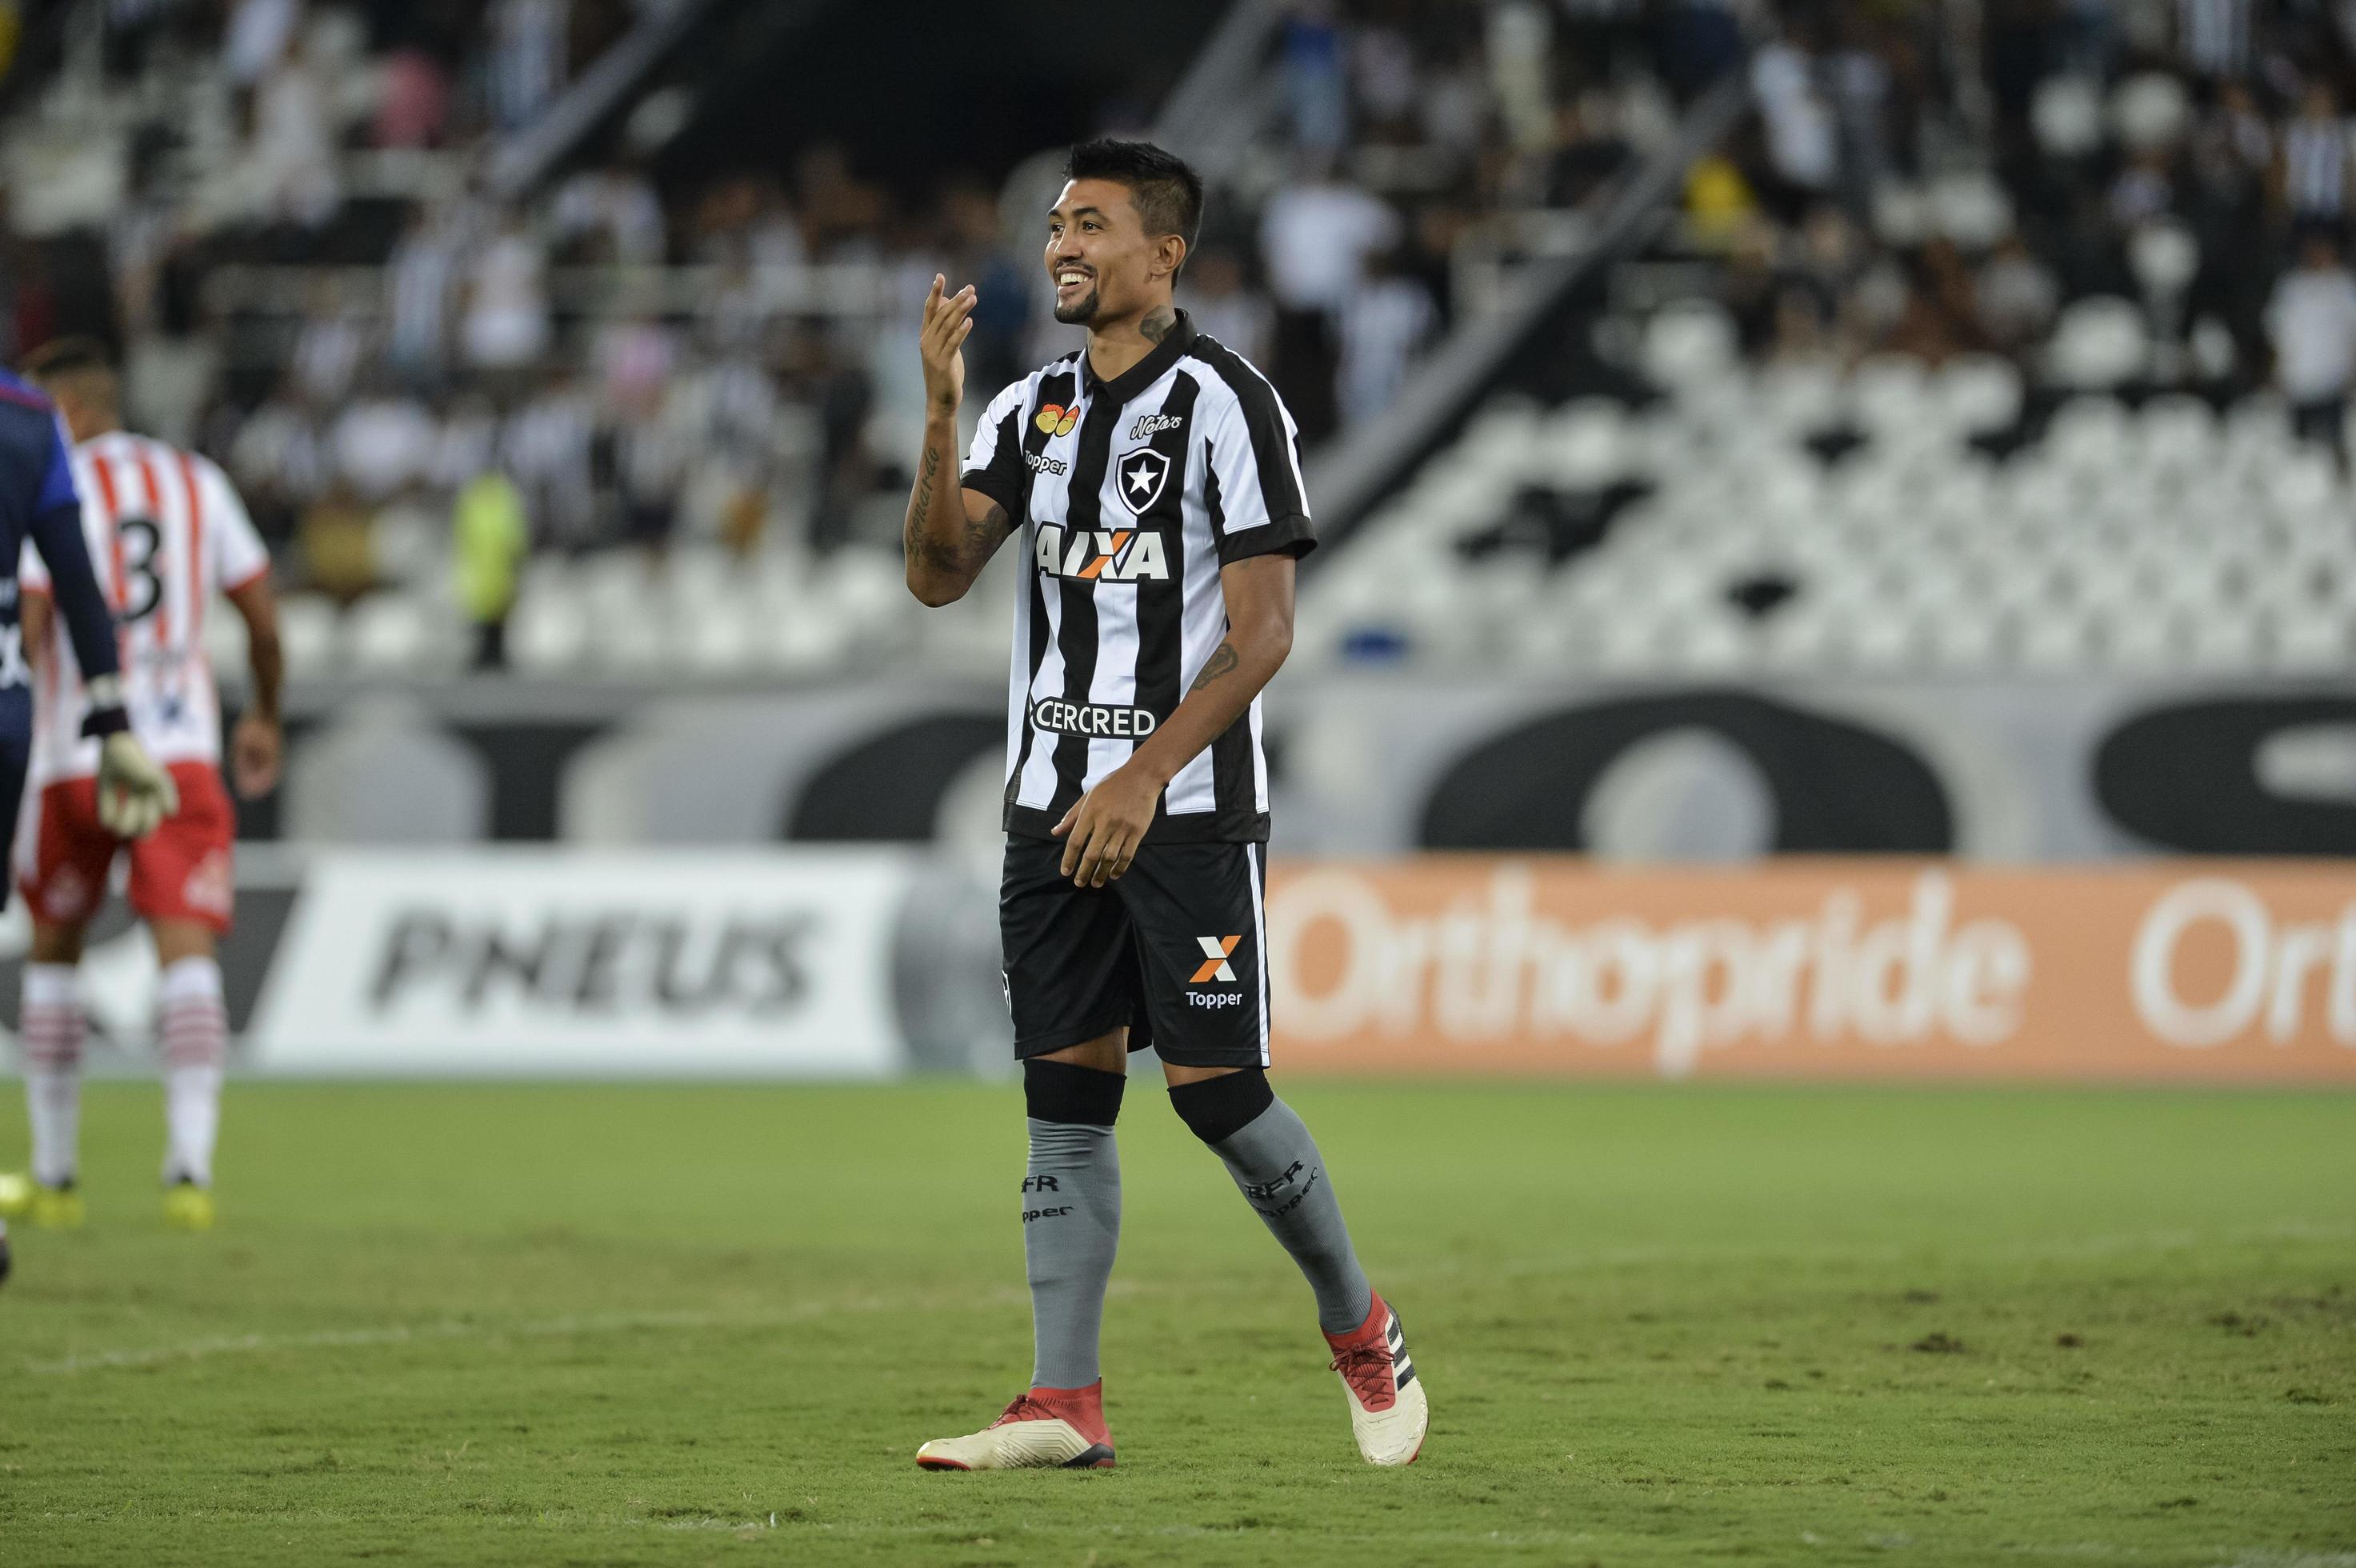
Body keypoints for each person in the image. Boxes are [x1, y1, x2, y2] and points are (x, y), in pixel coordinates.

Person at [902, 138, 1428, 1471]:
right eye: (1055, 227)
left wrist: (1144, 771)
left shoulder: (1230, 406)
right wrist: (940, 413)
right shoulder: (1032, 412)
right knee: (1063, 1100)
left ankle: (1359, 1327)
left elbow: (1263, 636)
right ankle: (1062, 1405)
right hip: (1049, 809)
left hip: (1183, 810)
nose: (1062, 247)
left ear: (1164, 255)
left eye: (1091, 225)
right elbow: (936, 576)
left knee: (1218, 1095)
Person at [3, 338, 282, 1234]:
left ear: (69, 407)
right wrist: (264, 715)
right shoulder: (197, 480)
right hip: (179, 752)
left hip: (67, 753)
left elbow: (40, 615)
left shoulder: (48, 465)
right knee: (186, 948)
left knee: (53, 946)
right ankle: (189, 1169)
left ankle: (54, 1174)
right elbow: (262, 616)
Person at [0, 347, 178, 1261]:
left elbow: (51, 597)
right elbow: (77, 583)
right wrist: (115, 715)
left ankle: (46, 1176)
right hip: (47, 717)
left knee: (46, 946)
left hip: (40, 737)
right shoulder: (35, 426)